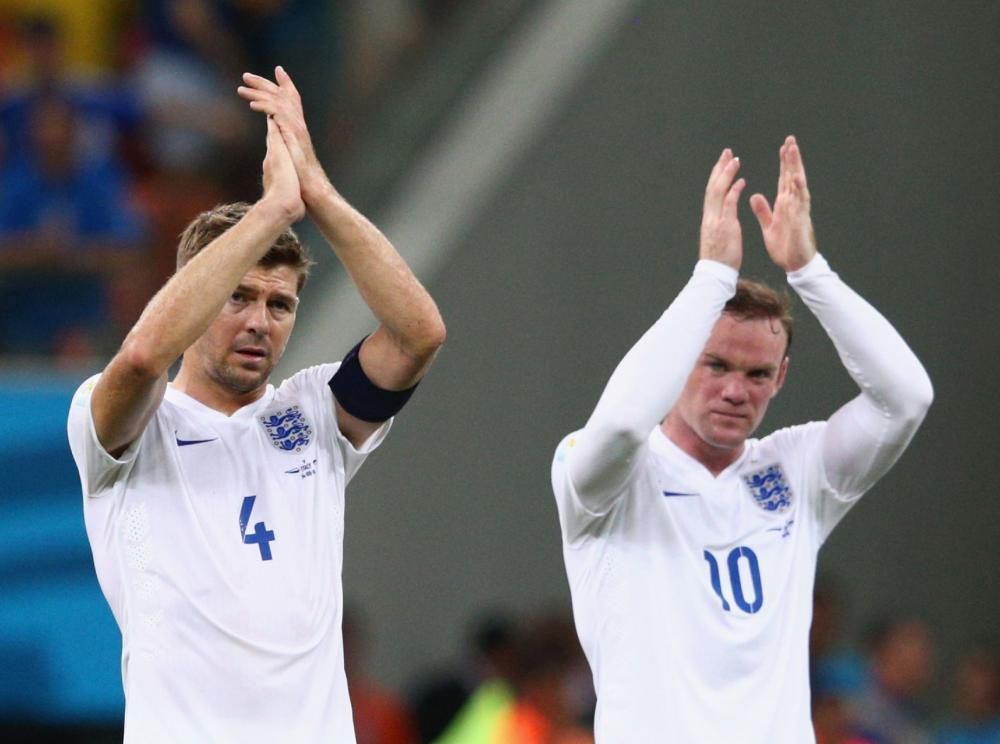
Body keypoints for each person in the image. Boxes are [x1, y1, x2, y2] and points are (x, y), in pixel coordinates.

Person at [67, 66, 446, 742]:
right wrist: (271, 209)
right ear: (197, 293)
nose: (260, 322)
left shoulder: (316, 415)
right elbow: (144, 357)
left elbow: (419, 334)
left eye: (280, 304)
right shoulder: (124, 424)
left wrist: (316, 192)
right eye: (237, 296)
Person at [550, 137, 933, 742]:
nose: (736, 390)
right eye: (717, 366)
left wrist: (810, 271)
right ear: (680, 362)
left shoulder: (800, 469)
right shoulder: (602, 469)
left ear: (780, 378)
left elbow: (907, 397)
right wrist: (709, 279)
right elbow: (623, 424)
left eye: (757, 374)